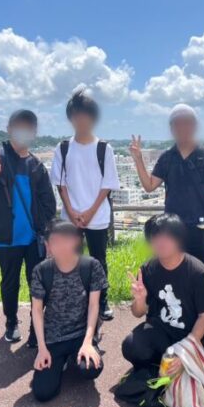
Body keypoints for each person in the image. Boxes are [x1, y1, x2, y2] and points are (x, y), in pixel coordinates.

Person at [0, 109, 56, 344]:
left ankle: (35, 327)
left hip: (33, 237)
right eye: (19, 128)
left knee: (37, 284)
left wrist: (48, 235)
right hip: (6, 237)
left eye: (29, 129)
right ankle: (11, 322)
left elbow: (48, 205)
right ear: (9, 129)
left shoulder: (36, 165)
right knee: (10, 283)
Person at [50, 91, 121, 321]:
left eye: (86, 115)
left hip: (97, 216)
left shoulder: (104, 148)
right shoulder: (63, 148)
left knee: (98, 260)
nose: (81, 120)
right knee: (71, 260)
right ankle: (76, 301)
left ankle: (102, 301)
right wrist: (72, 212)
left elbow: (107, 184)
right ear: (70, 118)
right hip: (70, 217)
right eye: (76, 115)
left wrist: (89, 212)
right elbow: (60, 184)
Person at [129, 104, 204, 267]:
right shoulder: (167, 157)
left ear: (195, 126)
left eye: (187, 123)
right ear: (171, 128)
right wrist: (138, 159)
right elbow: (149, 186)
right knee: (171, 269)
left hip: (199, 226)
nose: (182, 128)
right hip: (171, 227)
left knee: (199, 269)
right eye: (177, 124)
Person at [122, 213, 204, 373]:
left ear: (179, 239)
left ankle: (179, 363)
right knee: (131, 346)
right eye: (155, 237)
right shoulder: (147, 269)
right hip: (162, 331)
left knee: (187, 372)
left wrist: (186, 350)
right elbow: (138, 313)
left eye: (168, 237)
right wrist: (140, 299)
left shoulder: (197, 272)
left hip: (191, 335)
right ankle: (161, 366)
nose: (161, 242)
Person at [30, 220, 106, 402]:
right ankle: (62, 359)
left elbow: (94, 305)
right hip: (53, 336)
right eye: (56, 242)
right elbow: (37, 311)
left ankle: (75, 355)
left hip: (81, 333)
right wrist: (42, 348)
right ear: (48, 246)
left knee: (91, 369)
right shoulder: (41, 271)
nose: (62, 247)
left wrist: (88, 342)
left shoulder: (91, 266)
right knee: (43, 393)